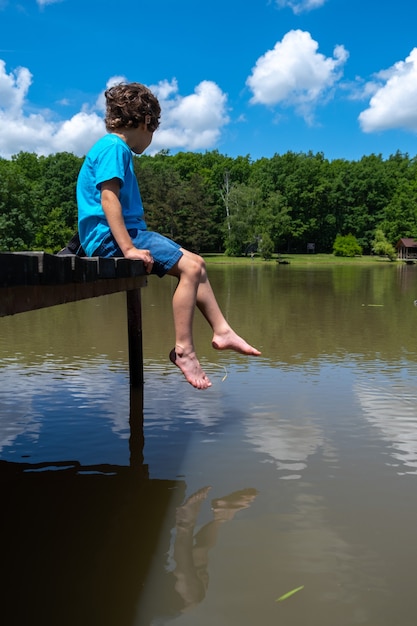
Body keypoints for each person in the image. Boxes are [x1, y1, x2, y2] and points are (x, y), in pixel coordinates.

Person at [77, 82, 261, 389]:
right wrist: (128, 248)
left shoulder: (112, 148)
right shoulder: (114, 148)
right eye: (154, 131)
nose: (151, 139)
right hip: (115, 238)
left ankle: (222, 330)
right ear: (147, 120)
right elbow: (108, 199)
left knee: (197, 263)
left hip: (124, 234)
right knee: (190, 268)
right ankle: (184, 350)